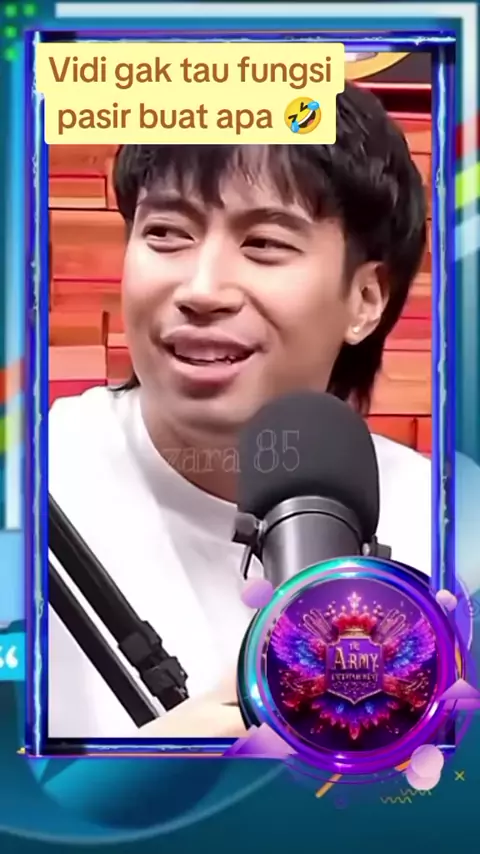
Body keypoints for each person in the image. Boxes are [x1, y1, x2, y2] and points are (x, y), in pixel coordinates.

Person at [48, 81, 430, 740]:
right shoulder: (32, 487)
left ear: (366, 298)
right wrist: (127, 783)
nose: (201, 290)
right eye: (166, 233)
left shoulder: (452, 528)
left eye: (265, 244)